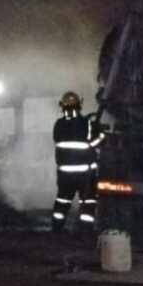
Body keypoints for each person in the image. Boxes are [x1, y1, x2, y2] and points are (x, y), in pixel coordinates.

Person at [51, 91, 102, 232]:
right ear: (79, 106)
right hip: (85, 174)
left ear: (63, 106)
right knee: (87, 201)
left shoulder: (58, 125)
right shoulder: (86, 124)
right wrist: (101, 135)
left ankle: (57, 228)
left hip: (64, 174)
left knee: (63, 200)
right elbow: (94, 143)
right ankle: (85, 229)